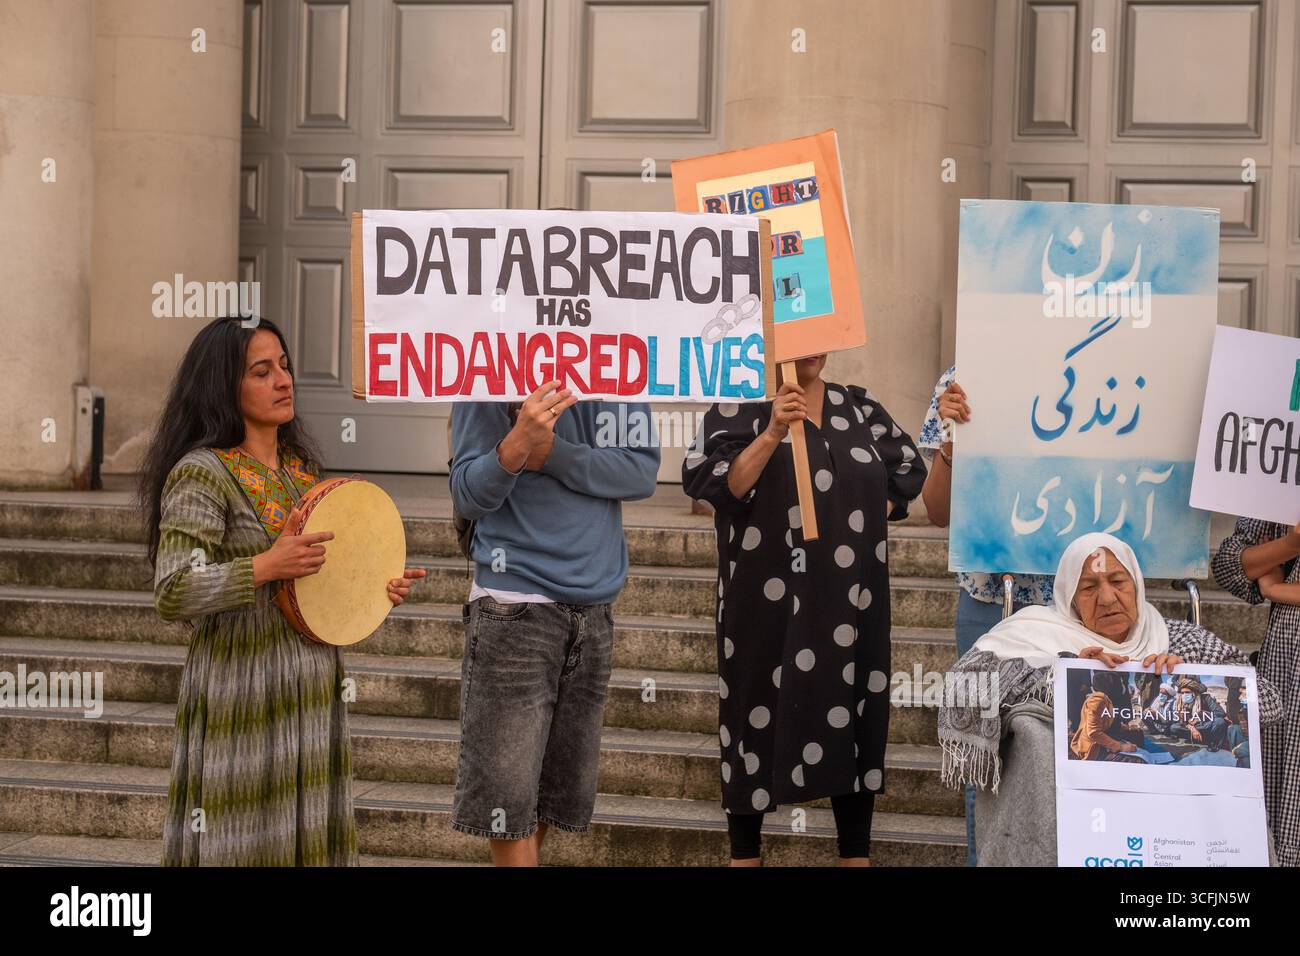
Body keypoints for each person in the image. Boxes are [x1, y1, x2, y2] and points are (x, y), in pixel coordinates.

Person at [139, 317, 424, 866]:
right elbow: (173, 590)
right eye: (262, 371)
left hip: (313, 689)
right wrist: (265, 566)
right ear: (224, 385)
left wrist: (373, 586)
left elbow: (318, 582)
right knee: (242, 836)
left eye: (285, 366)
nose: (283, 380)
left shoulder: (302, 473)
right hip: (241, 690)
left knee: (306, 838)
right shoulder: (202, 474)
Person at [682, 353, 926, 866]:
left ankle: (854, 855)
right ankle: (745, 855)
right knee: (753, 717)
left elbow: (907, 469)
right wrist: (771, 431)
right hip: (762, 604)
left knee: (853, 711)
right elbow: (715, 483)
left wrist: (851, 527)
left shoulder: (857, 407)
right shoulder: (737, 408)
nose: (809, 344)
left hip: (847, 601)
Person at [938, 532, 1282, 866]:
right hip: (1076, 830)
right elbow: (962, 688)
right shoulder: (1038, 635)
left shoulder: (1178, 639)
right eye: (1088, 588)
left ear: (1137, 585)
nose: (1106, 598)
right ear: (1070, 599)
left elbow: (1269, 703)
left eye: (1118, 582)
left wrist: (1194, 677)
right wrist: (1060, 670)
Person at [449, 381, 659, 866]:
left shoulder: (617, 366)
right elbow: (467, 494)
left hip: (594, 607)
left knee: (553, 795)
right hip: (513, 601)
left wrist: (553, 454)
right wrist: (515, 445)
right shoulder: (484, 369)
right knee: (507, 797)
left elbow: (641, 471)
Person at [916, 365, 1054, 863]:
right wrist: (951, 443)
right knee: (982, 751)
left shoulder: (1102, 358)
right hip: (988, 608)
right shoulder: (963, 375)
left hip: (1081, 605)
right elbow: (936, 511)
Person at [1213, 517, 1300, 866]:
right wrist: (1290, 545)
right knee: (1280, 786)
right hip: (1285, 659)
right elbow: (1230, 565)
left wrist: (1275, 588)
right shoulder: (1276, 488)